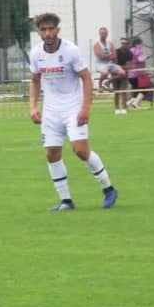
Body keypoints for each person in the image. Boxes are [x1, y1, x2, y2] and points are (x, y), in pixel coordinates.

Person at [28, 13, 118, 211]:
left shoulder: (71, 50)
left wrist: (85, 108)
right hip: (51, 110)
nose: (47, 33)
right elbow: (34, 80)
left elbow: (86, 78)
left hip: (73, 107)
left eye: (51, 29)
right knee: (51, 153)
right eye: (43, 29)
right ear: (39, 32)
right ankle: (66, 201)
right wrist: (33, 107)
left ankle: (108, 188)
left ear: (58, 30)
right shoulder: (35, 53)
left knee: (80, 150)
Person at [92, 27, 126, 93]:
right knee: (105, 73)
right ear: (99, 34)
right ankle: (100, 85)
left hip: (110, 63)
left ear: (107, 34)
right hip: (100, 64)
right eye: (102, 33)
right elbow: (101, 57)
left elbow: (115, 56)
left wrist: (107, 56)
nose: (104, 35)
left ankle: (108, 82)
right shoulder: (96, 44)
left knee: (122, 73)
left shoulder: (110, 43)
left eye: (105, 33)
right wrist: (110, 55)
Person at [126, 37, 151, 109]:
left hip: (130, 74)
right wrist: (146, 57)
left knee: (136, 91)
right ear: (137, 44)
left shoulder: (130, 50)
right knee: (145, 88)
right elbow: (140, 60)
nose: (141, 46)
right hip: (139, 74)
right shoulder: (139, 51)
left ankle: (128, 103)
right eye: (141, 44)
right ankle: (136, 103)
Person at [112, 36, 133, 114]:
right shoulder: (116, 52)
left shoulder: (129, 53)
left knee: (123, 91)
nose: (124, 45)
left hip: (124, 75)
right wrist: (121, 67)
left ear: (128, 44)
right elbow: (113, 64)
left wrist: (119, 67)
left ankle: (124, 108)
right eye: (123, 43)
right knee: (116, 92)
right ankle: (117, 108)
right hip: (115, 74)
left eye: (126, 43)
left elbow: (129, 66)